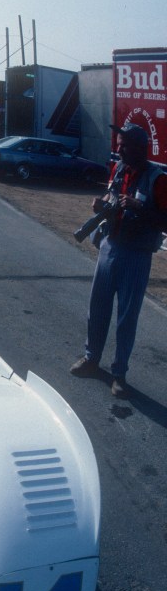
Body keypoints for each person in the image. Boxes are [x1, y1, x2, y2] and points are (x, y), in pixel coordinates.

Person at [70, 123, 167, 398]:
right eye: (119, 144)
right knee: (97, 308)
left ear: (140, 148)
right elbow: (110, 195)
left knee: (127, 317)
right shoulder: (118, 169)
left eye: (124, 145)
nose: (119, 149)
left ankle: (119, 374)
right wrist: (100, 203)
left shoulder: (158, 180)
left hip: (136, 255)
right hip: (109, 247)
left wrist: (141, 208)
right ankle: (91, 359)